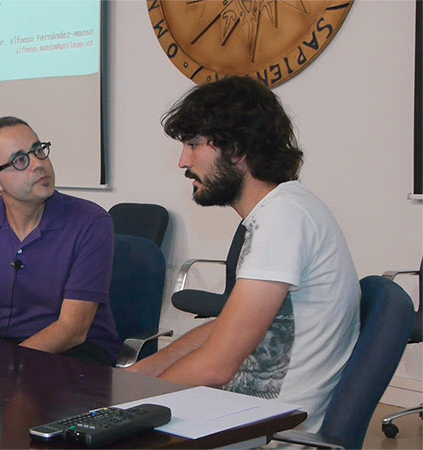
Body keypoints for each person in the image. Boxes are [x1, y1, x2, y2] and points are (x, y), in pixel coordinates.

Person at [127, 76, 360, 433]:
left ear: (236, 149)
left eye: (193, 144)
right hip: (244, 417)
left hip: (268, 434)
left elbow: (217, 366)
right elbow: (225, 330)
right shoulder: (282, 210)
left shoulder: (283, 218)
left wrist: (132, 407)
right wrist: (141, 374)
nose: (182, 161)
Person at [0, 116, 121, 366]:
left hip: (76, 356)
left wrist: (6, 369)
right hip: (4, 351)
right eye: (20, 160)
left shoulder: (91, 222)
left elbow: (72, 329)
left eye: (39, 150)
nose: (38, 164)